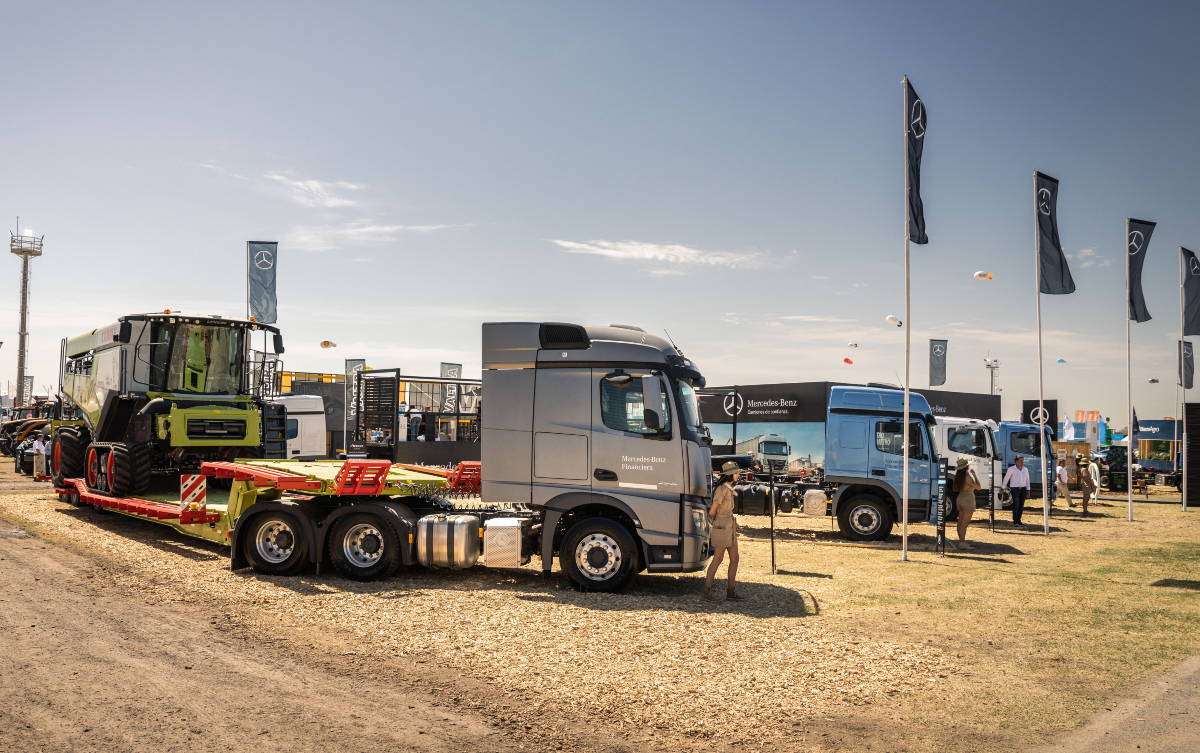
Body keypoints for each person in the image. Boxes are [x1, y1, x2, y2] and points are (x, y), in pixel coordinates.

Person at [703, 461, 745, 602]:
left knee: (735, 558)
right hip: (722, 527)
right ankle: (706, 592)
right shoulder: (721, 489)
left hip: (730, 526)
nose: (738, 475)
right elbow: (713, 511)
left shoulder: (729, 488)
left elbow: (726, 510)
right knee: (718, 559)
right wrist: (721, 523)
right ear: (729, 474)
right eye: (736, 472)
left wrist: (734, 522)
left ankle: (731, 592)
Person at [951, 457, 980, 550]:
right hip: (968, 498)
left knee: (960, 521)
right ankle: (962, 542)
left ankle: (961, 540)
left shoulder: (958, 477)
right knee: (965, 522)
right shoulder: (967, 477)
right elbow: (978, 487)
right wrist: (974, 475)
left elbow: (955, 489)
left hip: (960, 497)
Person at [1001, 454, 1031, 527]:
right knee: (1016, 505)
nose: (1022, 462)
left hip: (1023, 489)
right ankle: (1015, 521)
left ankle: (1019, 520)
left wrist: (1028, 490)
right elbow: (1006, 479)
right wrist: (1002, 488)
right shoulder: (1011, 469)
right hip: (1015, 489)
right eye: (1020, 461)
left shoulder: (1025, 469)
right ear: (1016, 461)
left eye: (1022, 461)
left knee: (1021, 506)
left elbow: (1027, 480)